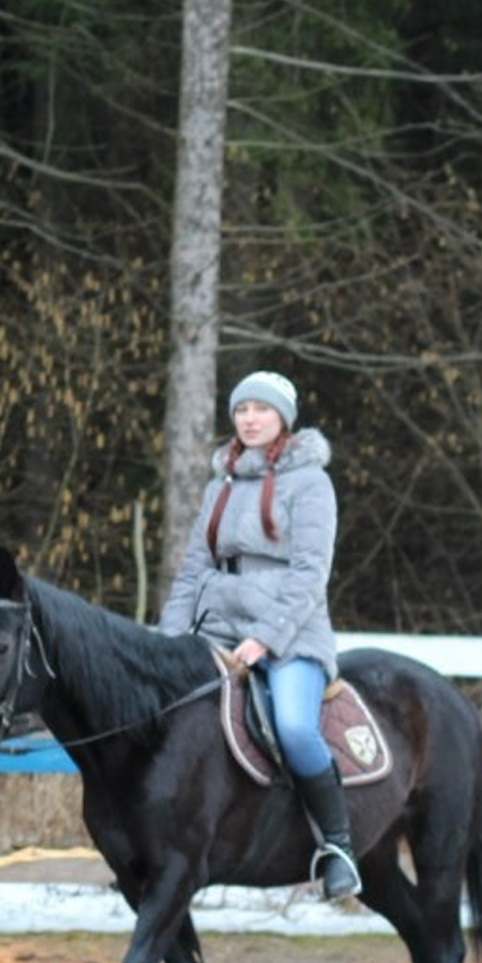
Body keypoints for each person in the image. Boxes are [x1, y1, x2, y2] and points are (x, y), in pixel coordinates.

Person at [159, 370, 362, 900]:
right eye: (242, 409)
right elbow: (192, 572)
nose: (249, 419)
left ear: (283, 419)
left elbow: (310, 574)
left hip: (291, 636)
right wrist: (164, 642)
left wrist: (266, 640)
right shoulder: (218, 485)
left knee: (294, 727)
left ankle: (336, 845)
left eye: (261, 410)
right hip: (218, 628)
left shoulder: (312, 483)